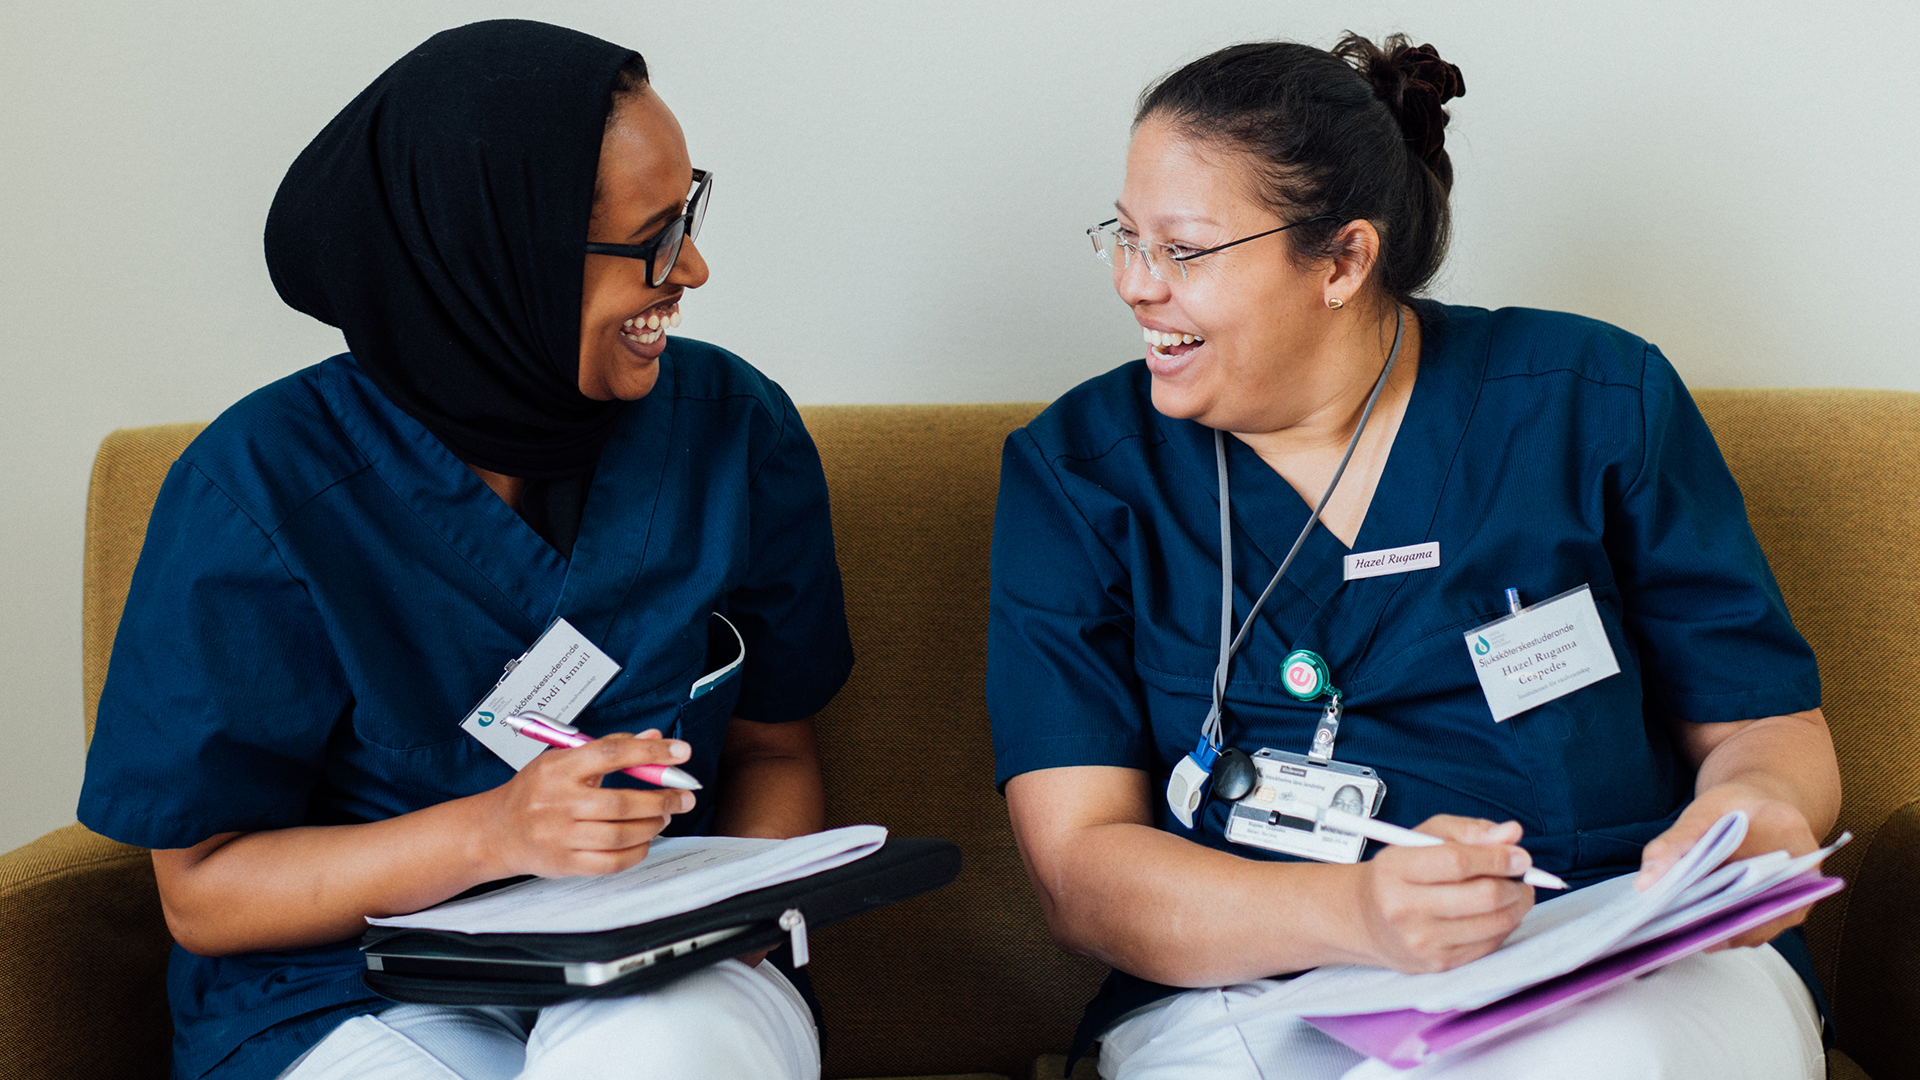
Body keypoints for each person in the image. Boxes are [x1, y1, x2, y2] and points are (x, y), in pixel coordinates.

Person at [986, 34, 1838, 1080]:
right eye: (1122, 238)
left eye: (1184, 250)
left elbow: (1765, 726)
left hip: (1612, 949)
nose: (1134, 285)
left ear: (1343, 259)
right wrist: (1350, 913)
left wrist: (1749, 818)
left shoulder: (1590, 400)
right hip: (1256, 985)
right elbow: (1079, 871)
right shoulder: (1082, 475)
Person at [76, 20, 852, 1080]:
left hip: (661, 965)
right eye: (658, 239)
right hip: (346, 988)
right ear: (504, 261)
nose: (695, 271)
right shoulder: (260, 489)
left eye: (689, 218)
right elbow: (204, 888)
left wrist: (737, 914)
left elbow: (775, 751)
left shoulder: (732, 429)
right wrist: (496, 835)